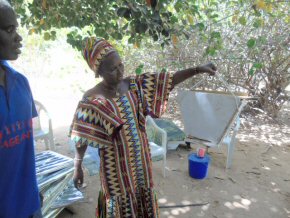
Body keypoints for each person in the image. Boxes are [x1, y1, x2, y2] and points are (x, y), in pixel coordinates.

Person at [69, 37, 216, 217]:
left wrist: (197, 69)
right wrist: (77, 166)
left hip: (140, 160)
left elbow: (167, 80)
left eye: (120, 65)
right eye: (113, 69)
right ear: (98, 71)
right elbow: (81, 136)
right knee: (118, 201)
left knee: (143, 197)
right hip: (114, 168)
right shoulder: (91, 100)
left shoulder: (134, 85)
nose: (120, 71)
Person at [0, 1, 42, 217]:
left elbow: (24, 146)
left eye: (16, 28)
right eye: (9, 30)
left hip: (30, 203)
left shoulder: (21, 83)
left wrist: (34, 191)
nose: (18, 37)